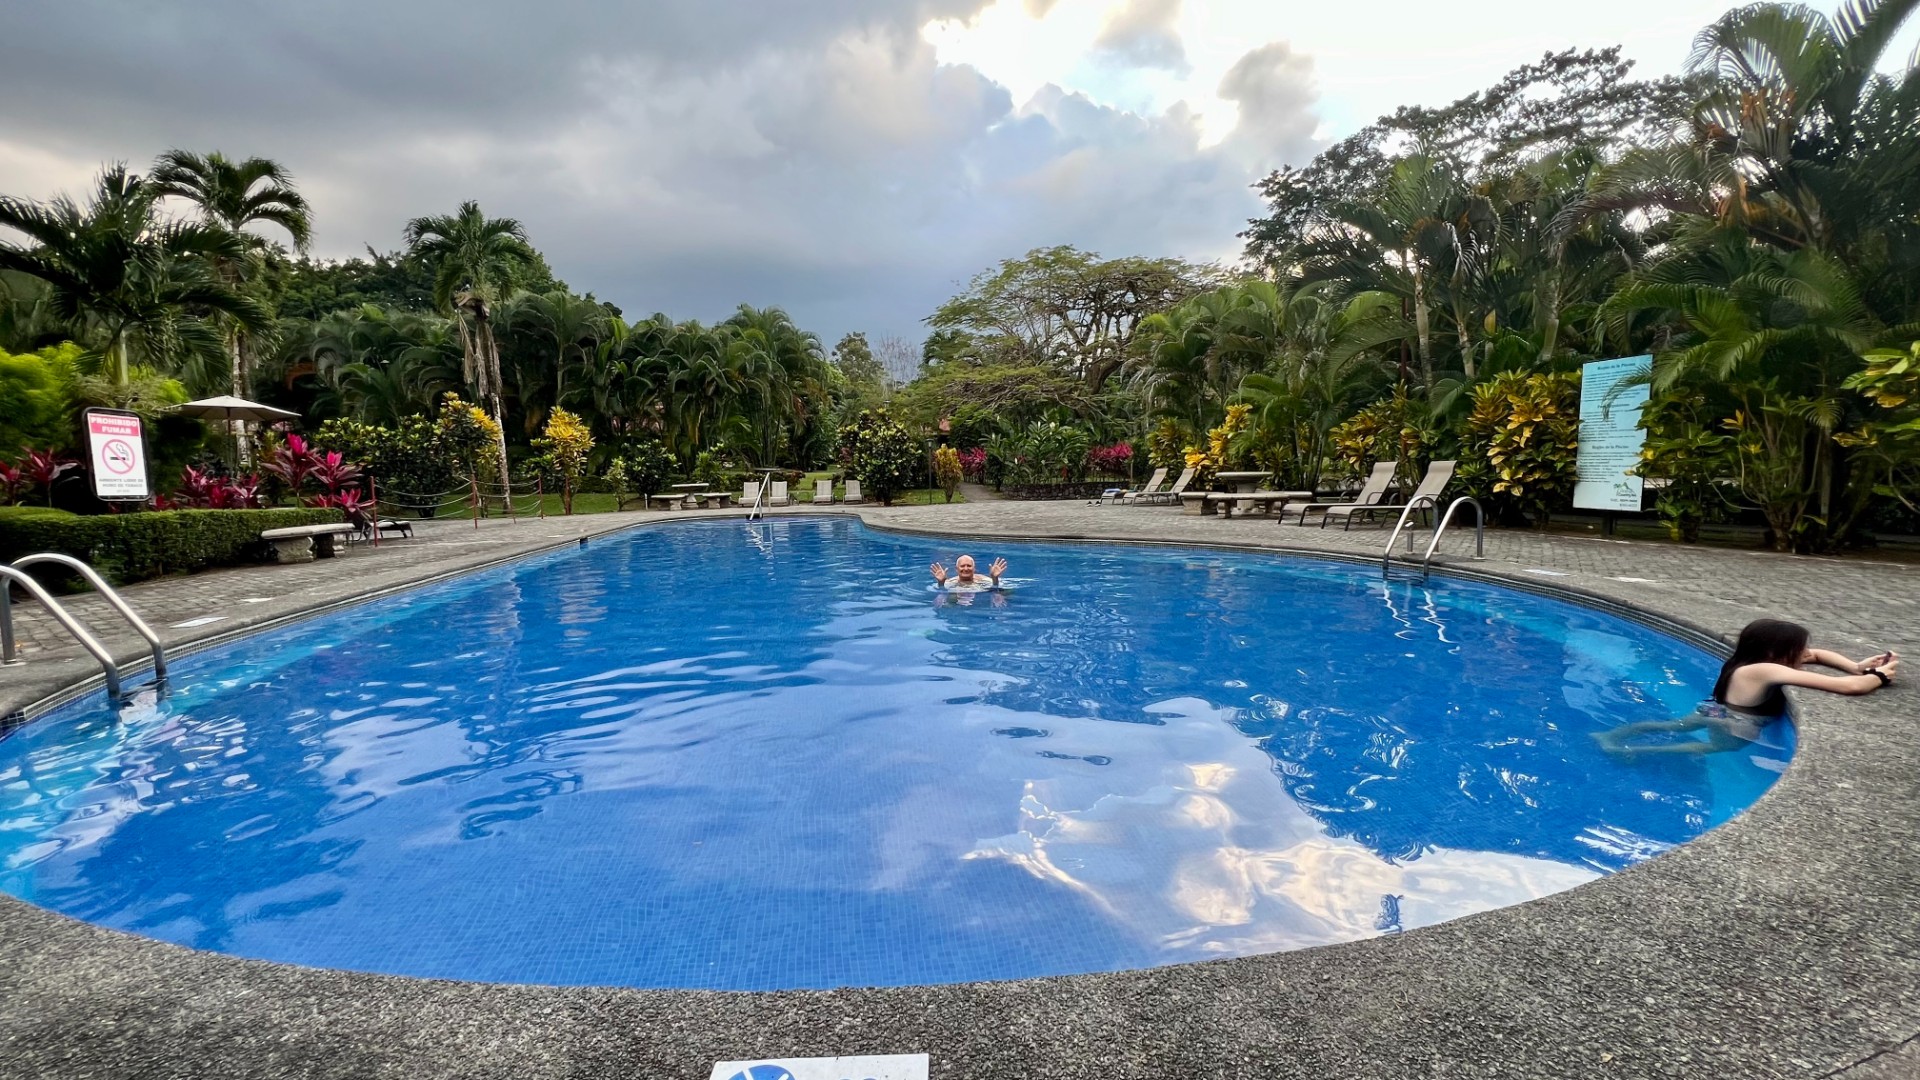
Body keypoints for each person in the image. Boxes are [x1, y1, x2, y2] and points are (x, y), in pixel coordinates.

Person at [1595, 619, 1897, 758]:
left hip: (1713, 708)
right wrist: (1879, 675)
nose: (1804, 653)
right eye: (1797, 649)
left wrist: (1857, 665)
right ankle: (1635, 751)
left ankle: (1610, 735)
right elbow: (1851, 688)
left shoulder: (1747, 660)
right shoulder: (1767, 669)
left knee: (1674, 725)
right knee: (1711, 748)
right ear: (1776, 652)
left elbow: (1819, 655)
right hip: (1735, 724)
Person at [930, 555, 1007, 590]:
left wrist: (995, 579)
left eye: (969, 566)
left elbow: (995, 588)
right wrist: (940, 583)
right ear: (956, 569)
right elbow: (941, 591)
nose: (966, 569)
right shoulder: (951, 582)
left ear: (974, 569)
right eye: (962, 566)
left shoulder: (984, 580)